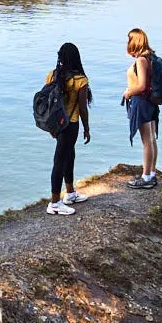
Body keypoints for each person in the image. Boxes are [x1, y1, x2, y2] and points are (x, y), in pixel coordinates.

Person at [43, 42, 91, 215]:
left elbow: (48, 101)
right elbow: (83, 108)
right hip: (70, 123)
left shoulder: (52, 75)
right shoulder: (80, 80)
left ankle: (70, 193)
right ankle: (54, 203)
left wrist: (50, 127)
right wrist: (87, 128)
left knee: (69, 154)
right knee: (60, 160)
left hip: (56, 124)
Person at [122, 27, 159, 188]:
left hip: (142, 102)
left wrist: (128, 93)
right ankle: (151, 173)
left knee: (147, 141)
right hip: (150, 102)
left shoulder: (141, 60)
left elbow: (142, 86)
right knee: (151, 139)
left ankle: (146, 178)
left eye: (129, 39)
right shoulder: (151, 57)